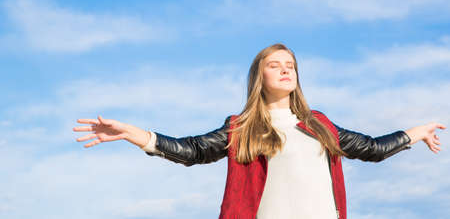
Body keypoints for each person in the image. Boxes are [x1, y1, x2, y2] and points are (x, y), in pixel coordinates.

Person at [73, 43, 446, 219]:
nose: (285, 70)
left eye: (291, 65)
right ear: (259, 76)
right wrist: (133, 134)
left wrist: (417, 131)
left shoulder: (319, 124)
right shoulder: (243, 128)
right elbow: (193, 150)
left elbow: (372, 148)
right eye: (275, 65)